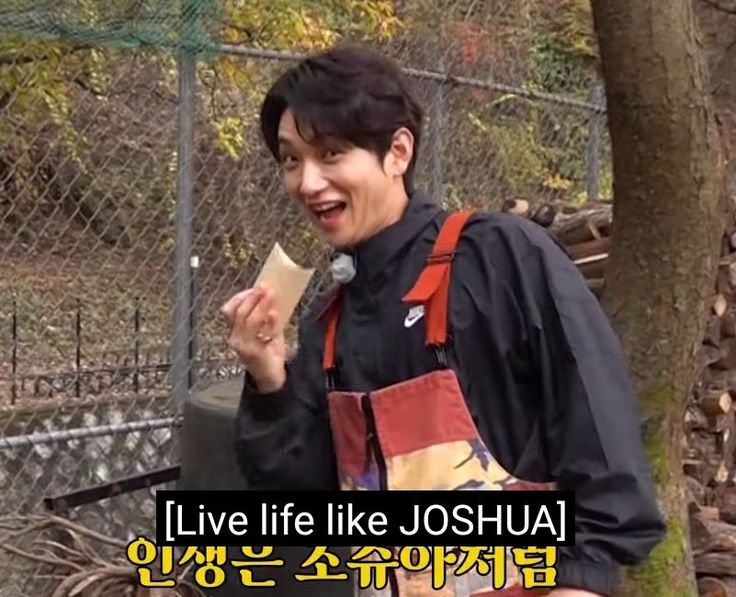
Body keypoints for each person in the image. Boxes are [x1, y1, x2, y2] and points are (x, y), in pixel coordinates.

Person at [221, 46, 665, 597]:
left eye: (331, 153)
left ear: (398, 151)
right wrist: (270, 379)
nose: (307, 182)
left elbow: (597, 423)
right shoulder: (327, 325)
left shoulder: (498, 256)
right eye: (291, 160)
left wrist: (586, 578)